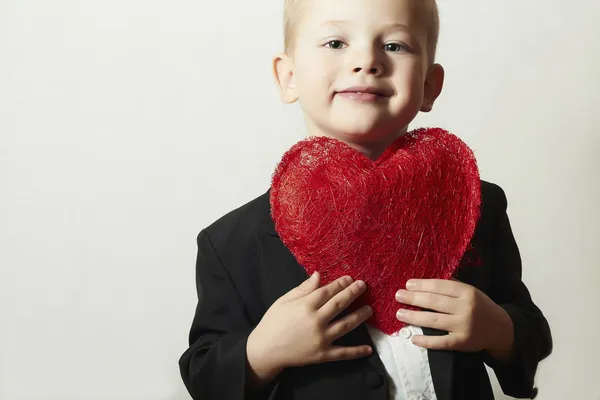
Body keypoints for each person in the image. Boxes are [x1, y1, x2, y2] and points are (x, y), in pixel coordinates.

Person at [178, 0, 553, 398]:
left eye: (394, 45)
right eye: (336, 42)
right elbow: (203, 372)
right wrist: (262, 352)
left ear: (429, 85)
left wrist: (499, 330)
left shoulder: (478, 206)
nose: (366, 61)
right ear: (288, 77)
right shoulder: (231, 243)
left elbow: (530, 328)